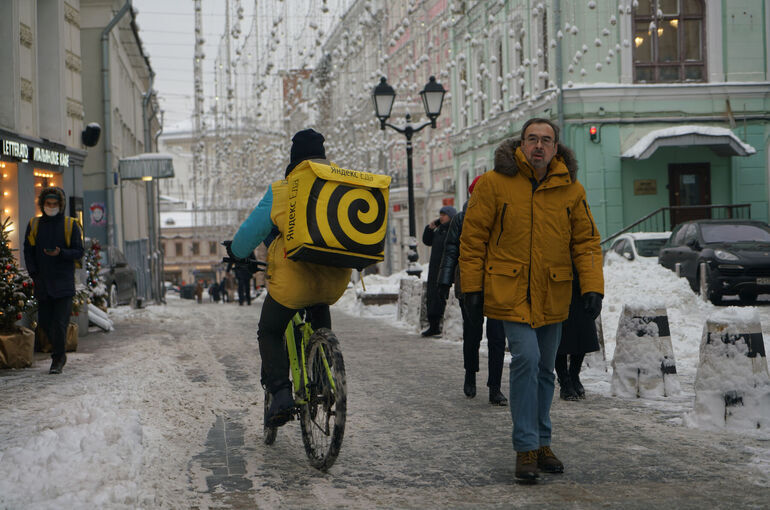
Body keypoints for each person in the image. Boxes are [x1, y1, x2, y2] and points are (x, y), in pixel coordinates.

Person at [459, 118, 604, 482]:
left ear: (556, 148)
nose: (539, 146)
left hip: (553, 291)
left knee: (545, 369)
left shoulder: (571, 190)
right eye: (532, 139)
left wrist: (592, 286)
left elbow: (586, 242)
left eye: (546, 140)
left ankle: (542, 442)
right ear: (521, 144)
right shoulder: (494, 185)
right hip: (510, 290)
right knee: (527, 358)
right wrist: (472, 288)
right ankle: (525, 447)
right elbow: (473, 239)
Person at [228, 128, 351, 428]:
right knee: (318, 307)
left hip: (292, 284)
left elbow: (246, 239)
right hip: (334, 279)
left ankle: (281, 394)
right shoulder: (342, 186)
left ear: (294, 159)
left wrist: (235, 251)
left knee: (269, 330)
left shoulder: (284, 190)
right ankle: (324, 377)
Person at [438, 175, 507, 405]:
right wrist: (444, 281)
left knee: (497, 336)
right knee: (472, 333)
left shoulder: (501, 215)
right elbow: (451, 250)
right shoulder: (461, 218)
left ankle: (494, 387)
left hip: (497, 281)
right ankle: (470, 374)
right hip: (469, 282)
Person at [23, 187, 84, 374]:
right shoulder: (34, 224)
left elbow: (79, 251)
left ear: (60, 205)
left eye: (54, 204)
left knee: (59, 323)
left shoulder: (70, 225)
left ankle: (58, 358)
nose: (51, 207)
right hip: (43, 282)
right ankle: (59, 352)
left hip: (64, 283)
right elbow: (28, 251)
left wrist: (61, 253)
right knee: (45, 323)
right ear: (43, 205)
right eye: (48, 204)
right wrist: (34, 273)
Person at [555, 271, 600, 400]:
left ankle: (574, 375)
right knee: (559, 334)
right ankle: (564, 380)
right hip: (557, 277)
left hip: (581, 278)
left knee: (584, 331)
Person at [421, 205, 456, 337]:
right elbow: (427, 241)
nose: (441, 217)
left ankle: (440, 324)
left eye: (444, 215)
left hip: (446, 268)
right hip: (434, 268)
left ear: (450, 216)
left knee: (440, 296)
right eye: (440, 214)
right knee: (432, 295)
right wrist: (429, 228)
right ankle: (433, 325)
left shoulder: (453, 230)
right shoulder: (439, 230)